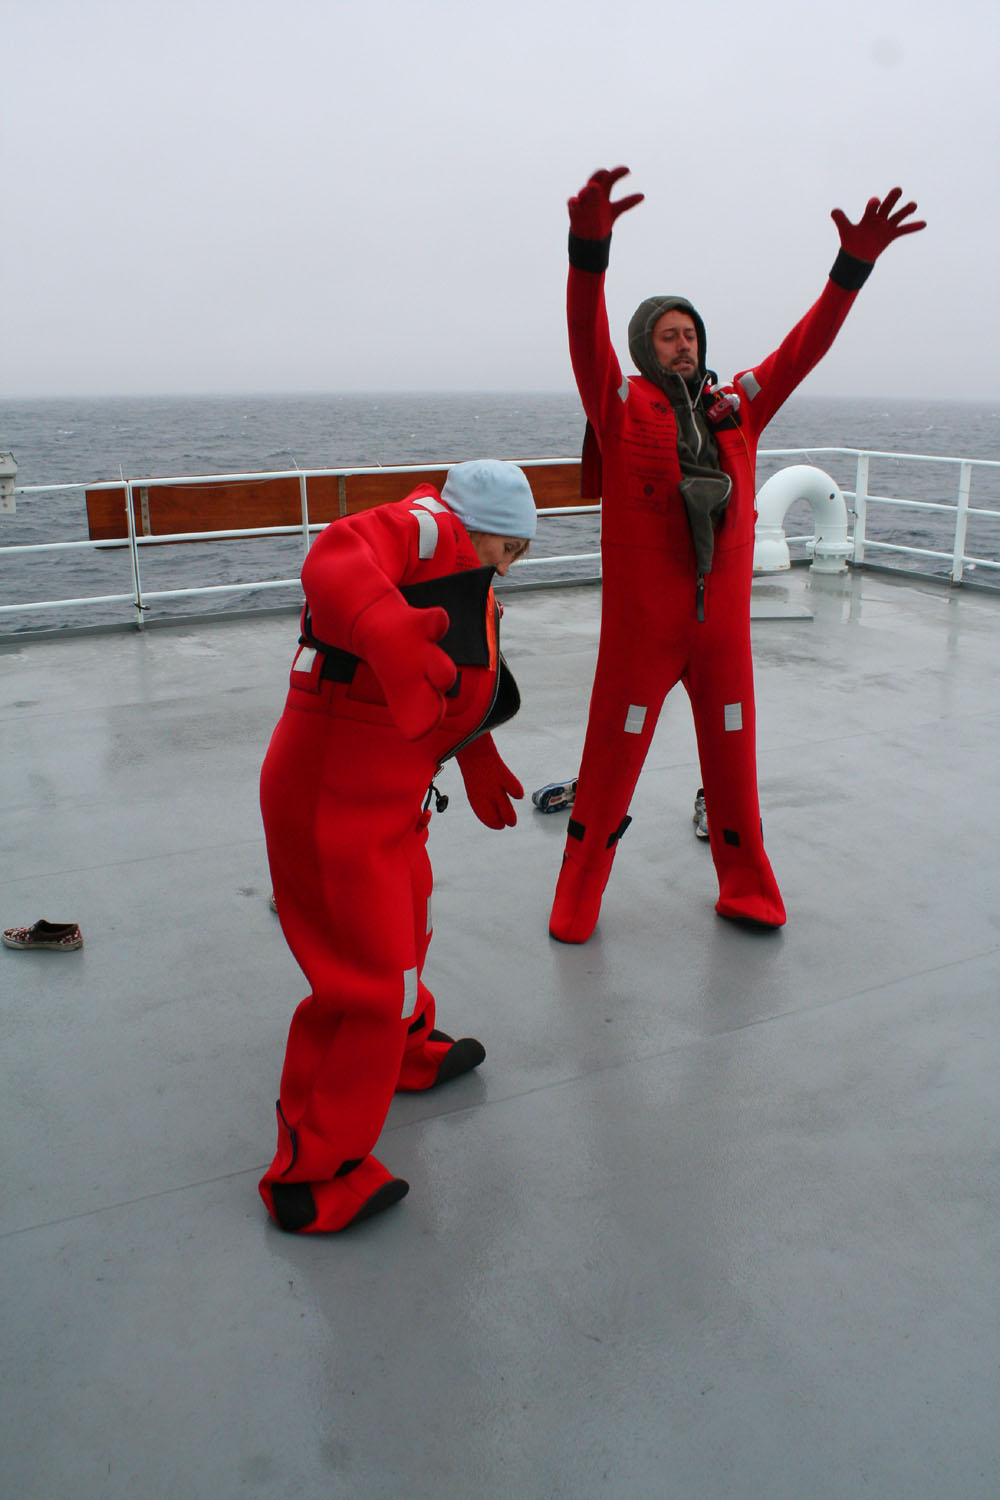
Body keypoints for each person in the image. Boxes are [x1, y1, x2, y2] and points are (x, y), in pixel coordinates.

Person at [549, 167, 925, 944]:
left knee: (733, 767)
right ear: (645, 348)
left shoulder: (739, 409)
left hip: (720, 635)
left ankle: (747, 889)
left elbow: (803, 348)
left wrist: (851, 269)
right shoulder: (618, 405)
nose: (684, 346)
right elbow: (584, 333)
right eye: (668, 335)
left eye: (691, 335)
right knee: (610, 771)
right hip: (640, 638)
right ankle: (577, 900)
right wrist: (590, 249)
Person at [259, 459, 536, 1233]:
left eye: (519, 554)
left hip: (394, 798)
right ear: (475, 524)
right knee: (365, 981)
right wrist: (381, 625)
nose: (508, 567)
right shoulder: (423, 531)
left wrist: (475, 752)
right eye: (506, 548)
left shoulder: (462, 572)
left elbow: (446, 680)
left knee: (410, 924)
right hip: (332, 800)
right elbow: (335, 558)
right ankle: (310, 1175)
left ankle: (408, 1051)